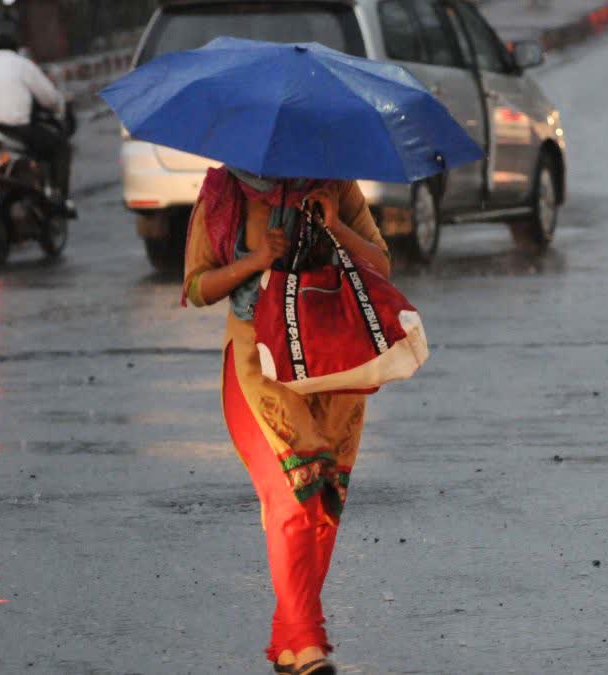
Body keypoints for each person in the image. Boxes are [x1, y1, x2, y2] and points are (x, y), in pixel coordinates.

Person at [183, 166, 391, 675]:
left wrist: (335, 226)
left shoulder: (336, 186)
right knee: (293, 488)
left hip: (330, 354)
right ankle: (307, 641)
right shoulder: (223, 194)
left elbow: (382, 265)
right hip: (255, 355)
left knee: (323, 496)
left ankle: (290, 642)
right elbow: (196, 287)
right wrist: (257, 261)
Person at [0, 24, 71, 201]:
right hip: (16, 131)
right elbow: (50, 99)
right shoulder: (23, 65)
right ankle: (60, 198)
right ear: (17, 45)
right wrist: (59, 109)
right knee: (61, 147)